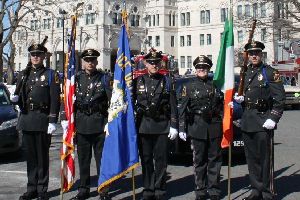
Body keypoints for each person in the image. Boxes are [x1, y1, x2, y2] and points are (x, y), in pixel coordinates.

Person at [234, 41, 285, 200]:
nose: (254, 55)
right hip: (248, 121)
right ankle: (256, 190)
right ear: (247, 56)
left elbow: (280, 98)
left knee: (265, 159)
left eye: (257, 53)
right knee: (252, 159)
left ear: (261, 54)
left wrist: (273, 117)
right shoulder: (245, 72)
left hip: (264, 121)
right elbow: (247, 97)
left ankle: (267, 193)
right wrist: (239, 100)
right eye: (251, 53)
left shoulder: (270, 72)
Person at [10, 42, 60, 200]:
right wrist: (15, 99)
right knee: (30, 157)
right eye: (33, 54)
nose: (36, 57)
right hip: (27, 119)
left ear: (44, 56)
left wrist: (53, 120)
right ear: (30, 57)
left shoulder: (51, 74)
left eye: (38, 54)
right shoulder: (24, 74)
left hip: (42, 119)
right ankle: (31, 187)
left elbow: (55, 99)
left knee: (42, 157)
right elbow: (20, 97)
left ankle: (42, 189)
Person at [61, 49, 112, 200]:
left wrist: (111, 122)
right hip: (82, 124)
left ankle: (103, 190)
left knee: (101, 160)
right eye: (87, 60)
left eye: (93, 60)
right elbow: (68, 101)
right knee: (83, 160)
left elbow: (112, 102)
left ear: (96, 62)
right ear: (82, 62)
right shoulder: (75, 78)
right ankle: (83, 189)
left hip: (99, 124)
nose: (90, 62)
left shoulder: (104, 78)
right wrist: (65, 118)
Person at [133, 49, 178, 200]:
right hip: (143, 126)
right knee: (146, 160)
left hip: (161, 126)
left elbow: (173, 104)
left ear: (160, 63)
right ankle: (148, 189)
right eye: (151, 62)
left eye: (156, 62)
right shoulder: (137, 81)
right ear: (145, 63)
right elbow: (131, 104)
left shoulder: (167, 81)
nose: (154, 65)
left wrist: (174, 125)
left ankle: (159, 189)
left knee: (161, 160)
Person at [177, 55, 223, 200]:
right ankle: (201, 190)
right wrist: (181, 128)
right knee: (199, 161)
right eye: (199, 67)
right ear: (195, 69)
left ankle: (214, 189)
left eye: (204, 67)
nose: (201, 70)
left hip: (214, 125)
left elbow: (222, 107)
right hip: (197, 126)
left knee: (214, 159)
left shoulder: (216, 85)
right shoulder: (188, 86)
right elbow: (182, 108)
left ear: (209, 69)